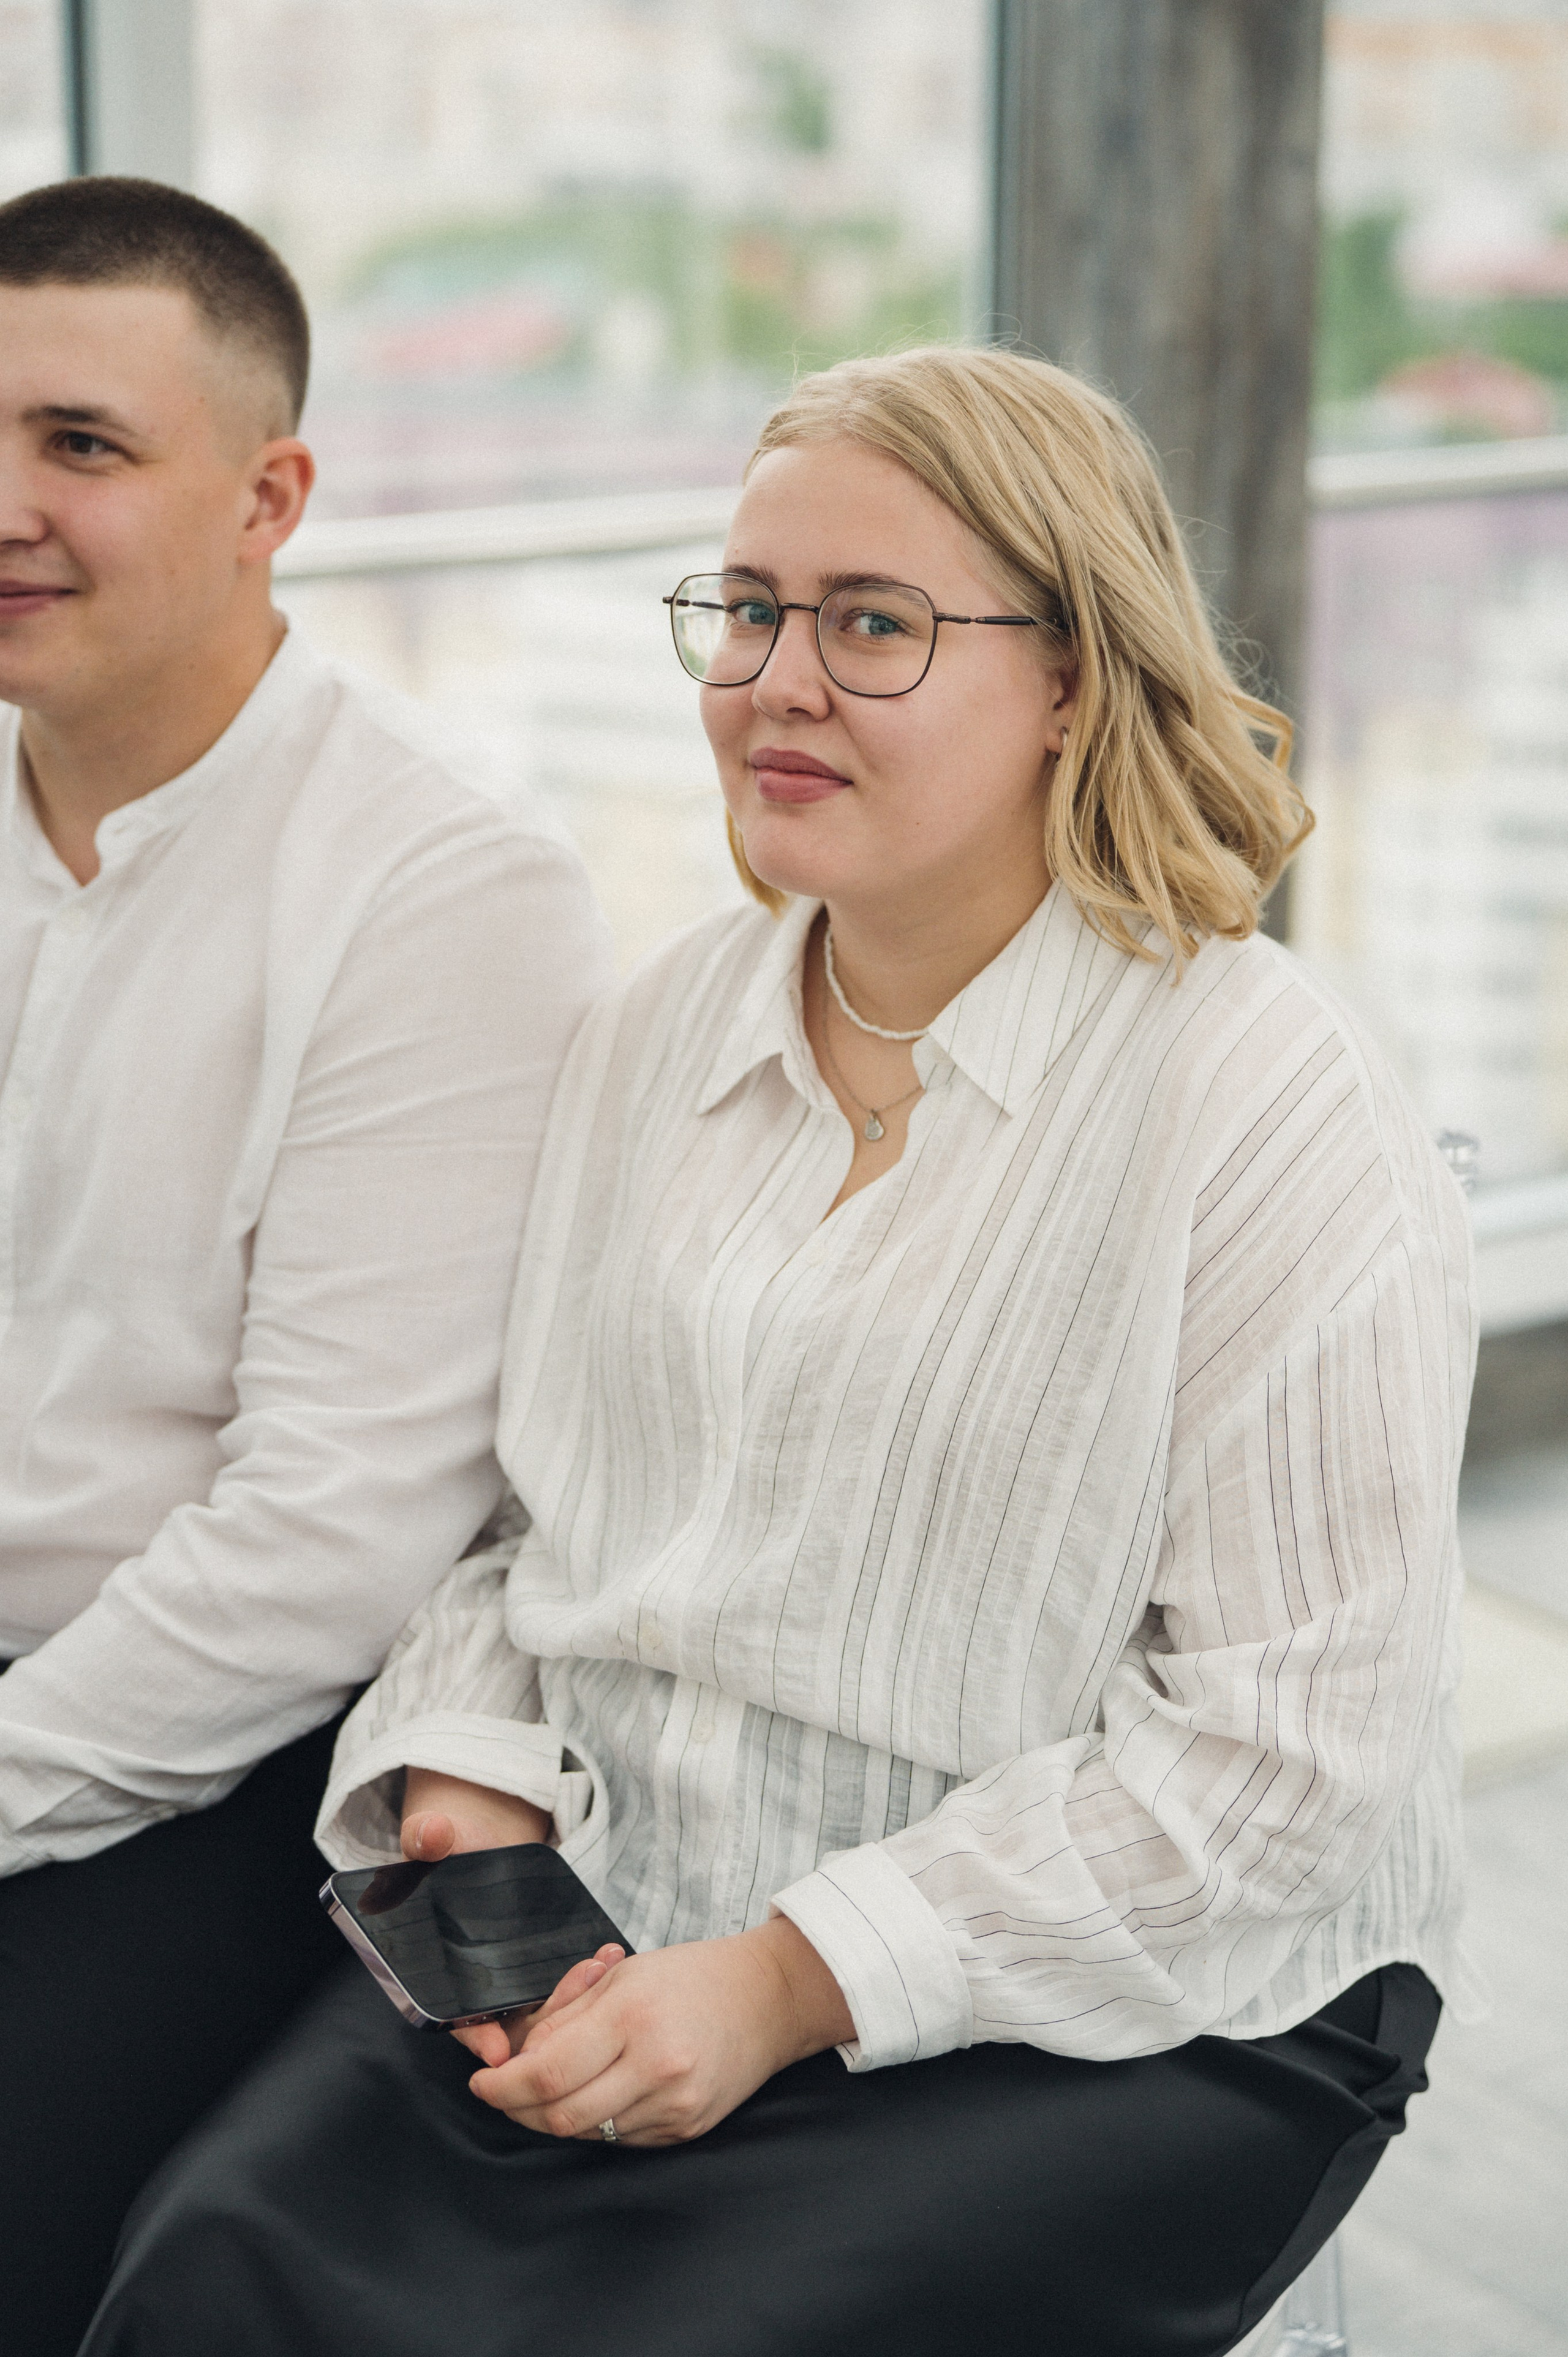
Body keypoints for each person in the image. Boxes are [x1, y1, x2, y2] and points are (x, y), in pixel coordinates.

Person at [84, 347, 1474, 2357]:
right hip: (613, 1926)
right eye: (745, 610)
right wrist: (469, 1789)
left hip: (1123, 1997)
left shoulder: (1266, 1096)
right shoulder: (658, 1035)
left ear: (1075, 673)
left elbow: (1287, 1765)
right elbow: (524, 1532)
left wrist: (792, 1982)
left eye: (875, 624)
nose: (776, 681)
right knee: (212, 2266)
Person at [0, 176, 612, 2355]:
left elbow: (329, 1541)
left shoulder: (441, 894)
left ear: (271, 497)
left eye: (80, 444)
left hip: (227, 1756)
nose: (10, 505)